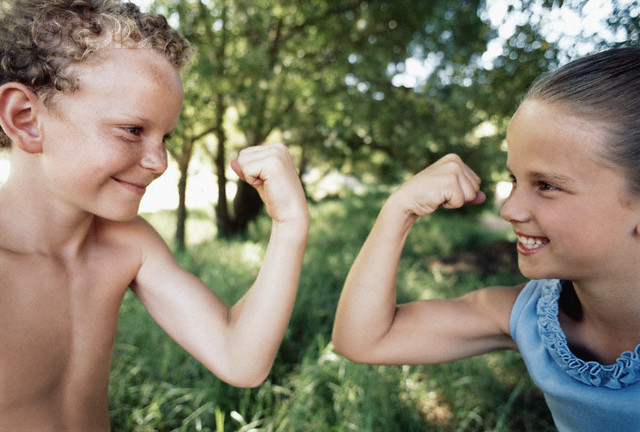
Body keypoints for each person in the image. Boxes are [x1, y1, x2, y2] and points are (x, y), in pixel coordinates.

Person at [0, 0, 309, 430]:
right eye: (133, 130)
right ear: (26, 119)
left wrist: (290, 227)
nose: (160, 162)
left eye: (166, 136)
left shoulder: (127, 243)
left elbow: (241, 359)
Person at [332, 47, 640, 431]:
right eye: (514, 179)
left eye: (546, 185)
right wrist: (399, 210)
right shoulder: (531, 318)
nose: (509, 210)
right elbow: (362, 340)